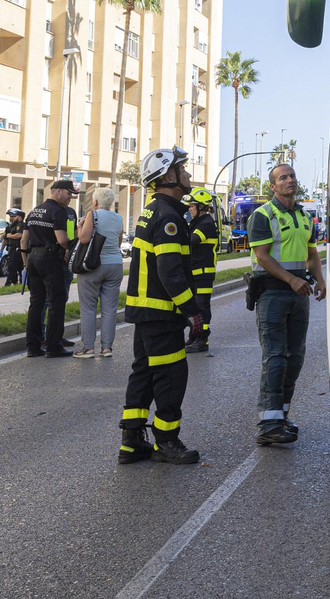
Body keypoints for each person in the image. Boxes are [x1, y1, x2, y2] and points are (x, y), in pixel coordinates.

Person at [118, 147, 204, 465]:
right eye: (183, 170)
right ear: (169, 176)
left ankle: (132, 442)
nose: (188, 174)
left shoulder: (153, 210)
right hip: (161, 312)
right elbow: (170, 272)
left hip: (145, 311)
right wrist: (192, 311)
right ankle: (166, 442)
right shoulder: (169, 216)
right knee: (171, 375)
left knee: (143, 372)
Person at [247, 163, 324, 446]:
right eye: (283, 178)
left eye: (292, 176)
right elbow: (262, 256)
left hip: (299, 294)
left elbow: (312, 254)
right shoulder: (263, 215)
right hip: (272, 294)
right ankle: (268, 425)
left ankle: (281, 416)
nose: (290, 180)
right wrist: (292, 280)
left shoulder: (305, 216)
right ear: (273, 186)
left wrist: (320, 280)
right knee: (276, 357)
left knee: (295, 358)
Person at [24, 181, 78, 357]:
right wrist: (74, 247)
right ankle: (54, 346)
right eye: (68, 193)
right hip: (50, 259)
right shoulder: (58, 211)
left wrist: (25, 261)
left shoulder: (35, 210)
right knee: (56, 301)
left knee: (36, 302)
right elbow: (62, 240)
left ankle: (33, 346)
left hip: (33, 259)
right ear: (58, 191)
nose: (70, 197)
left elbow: (24, 238)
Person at [74, 189, 124, 359]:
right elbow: (118, 242)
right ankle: (106, 348)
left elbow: (84, 239)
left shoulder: (92, 215)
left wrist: (80, 227)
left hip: (93, 265)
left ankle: (88, 348)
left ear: (95, 202)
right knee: (110, 308)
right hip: (115, 265)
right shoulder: (118, 218)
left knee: (88, 308)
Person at [185, 187, 220, 354]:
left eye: (192, 206)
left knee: (202, 307)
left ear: (201, 207)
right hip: (195, 272)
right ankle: (194, 334)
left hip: (204, 273)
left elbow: (192, 240)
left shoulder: (206, 223)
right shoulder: (196, 222)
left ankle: (202, 339)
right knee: (193, 307)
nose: (189, 209)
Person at [2, 209, 26, 286]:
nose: (11, 218)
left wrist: (9, 236)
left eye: (13, 216)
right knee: (11, 266)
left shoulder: (22, 225)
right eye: (10, 216)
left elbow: (20, 235)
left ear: (20, 217)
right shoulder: (9, 227)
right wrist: (1, 250)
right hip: (11, 249)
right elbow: (5, 239)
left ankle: (21, 282)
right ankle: (13, 282)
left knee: (20, 267)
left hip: (20, 249)